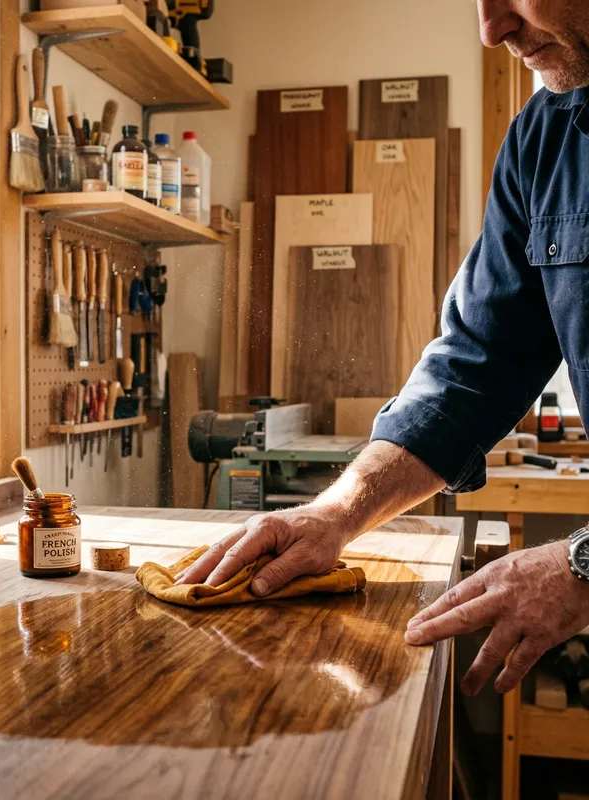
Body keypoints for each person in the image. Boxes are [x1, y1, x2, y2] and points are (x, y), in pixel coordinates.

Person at [176, 0, 589, 697]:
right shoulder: (543, 139)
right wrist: (335, 513)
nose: (492, 29)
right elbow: (475, 363)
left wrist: (582, 566)